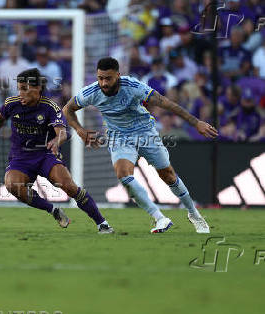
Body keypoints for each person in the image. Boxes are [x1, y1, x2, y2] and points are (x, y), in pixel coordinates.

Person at [63, 57, 218, 234]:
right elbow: (67, 109)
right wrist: (80, 130)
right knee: (123, 175)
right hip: (119, 136)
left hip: (145, 132)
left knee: (168, 175)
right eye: (100, 78)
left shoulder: (133, 87)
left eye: (108, 78)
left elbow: (167, 103)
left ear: (118, 76)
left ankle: (193, 213)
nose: (103, 83)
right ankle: (159, 218)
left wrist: (196, 122)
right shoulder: (91, 92)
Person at [0, 68, 113, 234]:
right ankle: (52, 210)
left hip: (46, 155)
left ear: (38, 88)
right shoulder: (12, 103)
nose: (21, 93)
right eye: (19, 88)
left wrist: (56, 140)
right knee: (12, 185)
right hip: (21, 157)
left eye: (25, 89)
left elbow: (62, 132)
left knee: (69, 187)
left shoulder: (50, 107)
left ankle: (102, 223)